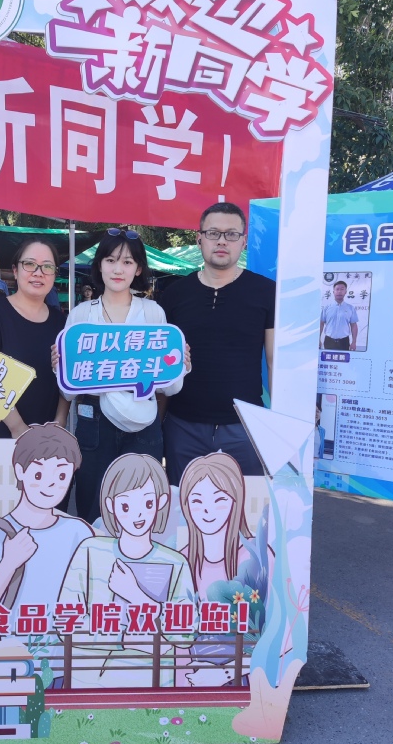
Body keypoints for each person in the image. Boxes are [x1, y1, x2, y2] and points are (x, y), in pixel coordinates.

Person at [57, 228, 186, 524]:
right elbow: (68, 390)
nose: (118, 269)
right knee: (93, 504)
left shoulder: (153, 313)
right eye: (111, 260)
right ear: (100, 264)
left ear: (138, 269)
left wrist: (181, 365)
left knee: (141, 506)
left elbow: (169, 386)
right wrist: (60, 366)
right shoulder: (81, 315)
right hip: (93, 420)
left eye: (128, 262)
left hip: (143, 419)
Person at [160, 202, 274, 485]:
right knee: (183, 507)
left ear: (243, 241)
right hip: (182, 426)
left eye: (231, 234)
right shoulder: (173, 294)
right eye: (213, 233)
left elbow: (275, 362)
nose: (222, 241)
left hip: (244, 427)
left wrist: (280, 424)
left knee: (244, 508)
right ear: (199, 238)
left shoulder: (266, 292)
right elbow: (160, 366)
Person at [58, 453, 195, 688]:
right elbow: (65, 624)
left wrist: (137, 596)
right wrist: (123, 637)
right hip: (89, 687)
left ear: (161, 502)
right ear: (110, 505)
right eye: (126, 505)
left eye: (148, 503)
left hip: (153, 689)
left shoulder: (175, 562)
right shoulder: (90, 551)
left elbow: (185, 635)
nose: (138, 514)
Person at [0, 424, 92, 647]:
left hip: (67, 660)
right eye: (39, 473)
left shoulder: (79, 533)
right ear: (20, 471)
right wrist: (8, 564)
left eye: (61, 475)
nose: (50, 484)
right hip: (9, 660)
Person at [178, 453, 270, 687]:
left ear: (236, 500)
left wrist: (226, 673)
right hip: (192, 679)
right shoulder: (181, 560)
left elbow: (282, 634)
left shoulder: (256, 556)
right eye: (197, 501)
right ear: (186, 505)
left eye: (219, 499)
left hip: (245, 681)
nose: (207, 510)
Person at [0, 238, 67, 441]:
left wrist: (60, 422)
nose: (38, 272)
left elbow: (66, 378)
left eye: (47, 266)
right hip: (2, 435)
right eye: (30, 264)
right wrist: (17, 427)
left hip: (48, 437)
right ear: (15, 271)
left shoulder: (61, 321)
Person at [319, 280, 358, 351]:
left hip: (344, 341)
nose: (339, 291)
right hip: (329, 341)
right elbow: (321, 324)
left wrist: (354, 342)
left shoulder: (350, 308)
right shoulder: (327, 308)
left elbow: (353, 325)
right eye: (337, 289)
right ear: (333, 292)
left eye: (342, 289)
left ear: (345, 292)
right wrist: (318, 339)